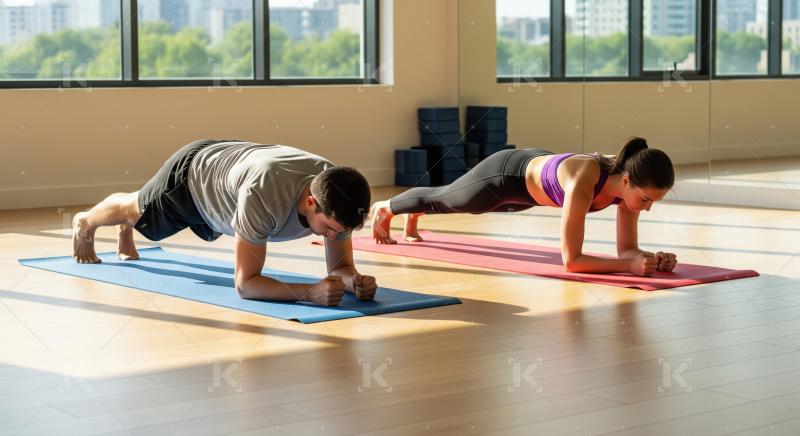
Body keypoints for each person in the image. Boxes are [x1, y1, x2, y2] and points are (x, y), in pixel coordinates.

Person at [72, 139, 377, 306]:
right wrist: (309, 292)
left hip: (229, 182)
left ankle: (128, 227)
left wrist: (354, 282)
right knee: (134, 208)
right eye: (331, 230)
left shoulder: (337, 193)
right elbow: (246, 285)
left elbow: (340, 268)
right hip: (193, 178)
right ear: (310, 202)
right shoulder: (264, 195)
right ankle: (86, 222)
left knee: (140, 218)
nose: (334, 237)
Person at [371, 137, 677, 277]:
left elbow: (627, 252)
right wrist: (628, 267)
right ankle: (386, 208)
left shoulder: (627, 192)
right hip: (506, 175)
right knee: (450, 199)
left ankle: (417, 211)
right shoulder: (585, 180)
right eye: (646, 200)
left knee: (462, 205)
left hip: (530, 193)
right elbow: (572, 261)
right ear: (626, 180)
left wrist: (649, 259)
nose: (646, 209)